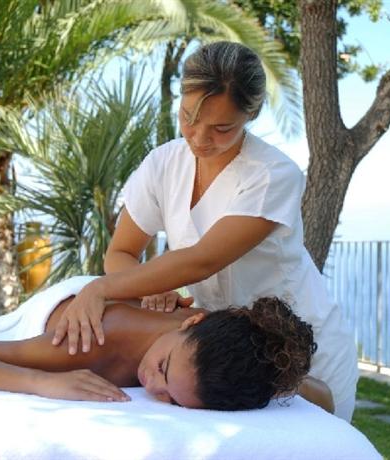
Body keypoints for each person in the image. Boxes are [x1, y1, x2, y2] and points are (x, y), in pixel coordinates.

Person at [50, 41, 358, 421]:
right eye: (188, 118)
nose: (198, 138)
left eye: (221, 128)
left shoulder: (272, 174)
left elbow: (202, 260)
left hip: (302, 352)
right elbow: (121, 252)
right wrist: (148, 289)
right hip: (217, 361)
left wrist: (101, 288)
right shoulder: (163, 164)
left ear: (251, 114)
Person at [0, 279, 331, 412]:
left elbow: (325, 399)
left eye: (172, 399)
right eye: (163, 367)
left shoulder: (222, 341)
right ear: (192, 322)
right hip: (62, 313)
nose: (152, 386)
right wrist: (46, 382)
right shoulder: (92, 340)